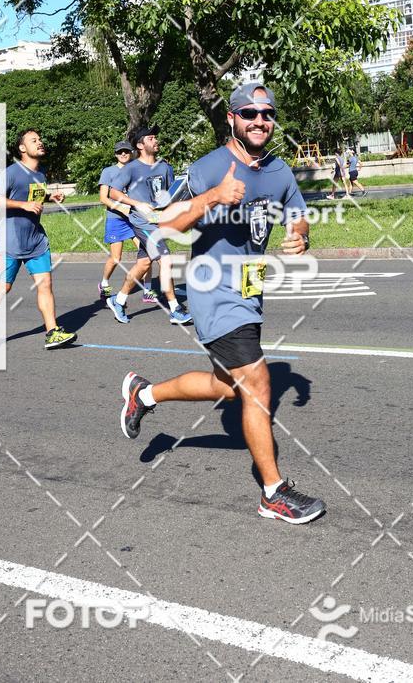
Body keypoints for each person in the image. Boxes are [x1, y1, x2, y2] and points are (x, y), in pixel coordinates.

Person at [113, 84, 326, 525]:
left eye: (267, 113)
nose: (259, 120)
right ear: (232, 118)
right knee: (257, 382)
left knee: (229, 386)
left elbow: (297, 211)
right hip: (214, 290)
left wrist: (301, 235)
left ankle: (144, 394)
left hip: (251, 286)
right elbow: (164, 224)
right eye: (249, 113)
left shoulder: (280, 171)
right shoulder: (209, 167)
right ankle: (273, 493)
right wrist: (211, 197)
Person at [0, 129, 77, 350]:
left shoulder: (40, 174)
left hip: (36, 241)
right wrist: (22, 205)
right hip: (10, 242)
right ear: (22, 148)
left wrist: (50, 196)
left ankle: (52, 332)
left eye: (40, 140)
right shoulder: (11, 172)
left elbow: (33, 194)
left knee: (46, 284)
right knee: (3, 287)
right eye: (34, 141)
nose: (40, 143)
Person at [105, 125, 191, 326]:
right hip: (141, 222)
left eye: (155, 138)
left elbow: (170, 195)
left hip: (159, 223)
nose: (156, 141)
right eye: (151, 138)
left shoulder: (164, 167)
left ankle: (118, 300)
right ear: (140, 145)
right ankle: (175, 308)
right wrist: (137, 204)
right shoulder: (131, 169)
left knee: (143, 264)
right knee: (165, 259)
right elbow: (113, 193)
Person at [97, 141, 142, 301]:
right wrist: (120, 208)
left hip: (134, 218)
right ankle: (104, 283)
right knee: (116, 258)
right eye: (120, 152)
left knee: (147, 252)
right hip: (116, 219)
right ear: (116, 154)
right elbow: (103, 198)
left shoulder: (136, 169)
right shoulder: (108, 172)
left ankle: (148, 289)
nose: (123, 154)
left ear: (131, 153)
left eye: (126, 152)